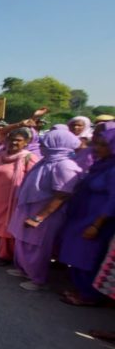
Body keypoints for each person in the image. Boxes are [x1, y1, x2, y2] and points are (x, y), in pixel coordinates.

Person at [7, 129, 82, 291]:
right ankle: (25, 270)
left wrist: (38, 217)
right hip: (31, 209)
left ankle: (37, 279)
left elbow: (62, 195)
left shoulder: (65, 165)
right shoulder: (47, 160)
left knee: (37, 246)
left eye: (45, 143)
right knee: (24, 241)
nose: (41, 145)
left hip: (45, 214)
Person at [59, 128, 115, 305]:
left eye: (103, 145)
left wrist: (97, 225)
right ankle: (80, 287)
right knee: (77, 252)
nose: (97, 148)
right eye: (97, 143)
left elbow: (113, 201)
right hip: (82, 217)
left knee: (88, 256)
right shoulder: (101, 164)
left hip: (97, 220)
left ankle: (89, 295)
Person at [0, 128, 39, 265]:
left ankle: (5, 256)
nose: (14, 142)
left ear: (26, 143)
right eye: (11, 139)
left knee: (6, 227)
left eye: (18, 140)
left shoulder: (29, 158)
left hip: (13, 200)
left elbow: (34, 182)